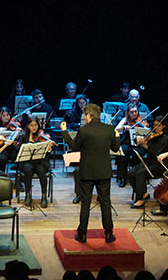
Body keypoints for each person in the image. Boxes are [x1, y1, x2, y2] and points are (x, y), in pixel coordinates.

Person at [60, 102, 121, 244]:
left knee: (86, 203)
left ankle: (82, 235)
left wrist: (64, 131)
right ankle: (108, 234)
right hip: (104, 172)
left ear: (89, 115)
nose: (84, 119)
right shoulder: (109, 129)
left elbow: (74, 146)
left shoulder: (84, 130)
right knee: (105, 203)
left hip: (87, 172)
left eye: (85, 116)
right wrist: (117, 136)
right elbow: (116, 148)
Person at [127, 116, 168, 209]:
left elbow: (155, 153)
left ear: (163, 126)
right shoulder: (152, 134)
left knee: (140, 173)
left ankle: (140, 200)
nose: (155, 128)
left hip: (160, 165)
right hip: (150, 162)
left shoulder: (165, 138)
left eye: (158, 126)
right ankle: (143, 193)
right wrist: (139, 139)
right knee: (131, 173)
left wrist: (145, 146)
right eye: (154, 125)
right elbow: (139, 141)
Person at [19, 117, 55, 207]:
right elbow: (18, 151)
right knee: (28, 170)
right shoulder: (23, 136)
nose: (34, 127)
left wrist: (49, 149)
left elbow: (47, 155)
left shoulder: (43, 136)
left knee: (41, 170)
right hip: (27, 162)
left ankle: (43, 196)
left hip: (41, 162)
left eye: (35, 125)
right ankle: (27, 195)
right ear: (28, 126)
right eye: (31, 125)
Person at [114, 103, 145, 187]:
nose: (134, 114)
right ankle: (121, 177)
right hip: (127, 142)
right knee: (123, 152)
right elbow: (116, 129)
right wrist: (124, 127)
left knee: (140, 153)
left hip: (138, 144)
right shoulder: (125, 120)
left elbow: (146, 130)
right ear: (128, 113)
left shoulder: (140, 120)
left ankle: (136, 175)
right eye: (132, 112)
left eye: (135, 111)